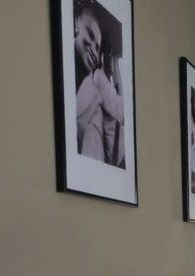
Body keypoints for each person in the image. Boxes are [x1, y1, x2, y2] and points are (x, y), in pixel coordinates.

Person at [74, 6, 125, 166]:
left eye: (97, 47)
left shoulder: (98, 80)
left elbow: (121, 111)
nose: (93, 51)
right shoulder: (92, 79)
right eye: (90, 34)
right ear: (76, 24)